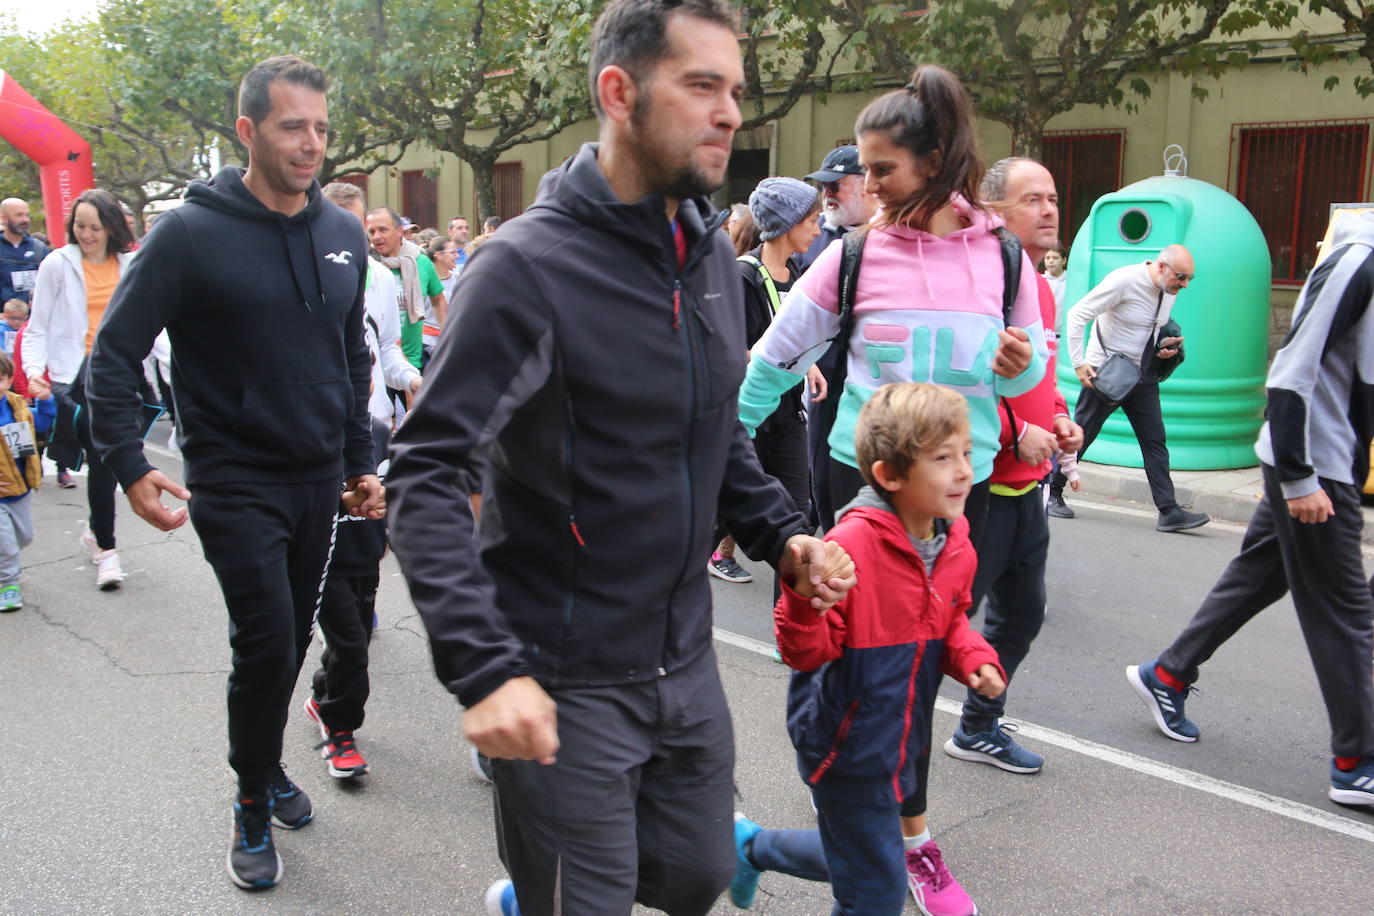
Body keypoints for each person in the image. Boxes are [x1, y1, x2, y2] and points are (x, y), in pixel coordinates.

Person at [383, 3, 855, 913]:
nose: (729, 113)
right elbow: (426, 471)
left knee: (695, 876)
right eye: (702, 86)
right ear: (619, 92)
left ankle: (542, 887)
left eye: (736, 91)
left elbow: (710, 432)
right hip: (561, 669)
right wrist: (483, 668)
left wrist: (781, 538)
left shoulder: (709, 258)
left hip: (682, 655)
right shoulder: (524, 268)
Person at [735, 67, 1045, 912]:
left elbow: (1035, 368)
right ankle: (869, 819)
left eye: (882, 171)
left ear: (937, 161)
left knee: (927, 654)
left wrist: (1023, 366)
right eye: (860, 172)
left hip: (957, 486)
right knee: (859, 656)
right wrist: (719, 453)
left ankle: (901, 836)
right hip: (863, 480)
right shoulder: (855, 253)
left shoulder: (1002, 252)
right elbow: (774, 359)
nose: (862, 188)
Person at [84, 55, 382, 891]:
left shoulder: (344, 235)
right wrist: (129, 465)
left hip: (319, 477)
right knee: (265, 643)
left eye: (322, 127)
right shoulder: (189, 232)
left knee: (288, 643)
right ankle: (253, 795)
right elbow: (115, 356)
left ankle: (267, 765)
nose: (312, 144)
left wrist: (359, 463)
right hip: (234, 477)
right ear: (248, 132)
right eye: (293, 127)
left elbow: (351, 355)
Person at [1127, 210, 1374, 806]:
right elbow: (1292, 368)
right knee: (1347, 614)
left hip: (1325, 461)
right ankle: (1357, 761)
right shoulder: (1360, 257)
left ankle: (1168, 673)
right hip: (1315, 465)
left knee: (1258, 579)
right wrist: (1296, 475)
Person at [731, 383, 1005, 916]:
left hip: (900, 741)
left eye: (967, 454)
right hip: (845, 745)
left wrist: (974, 658)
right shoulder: (849, 547)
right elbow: (803, 652)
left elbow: (949, 623)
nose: (964, 470)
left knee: (860, 858)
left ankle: (750, 847)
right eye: (943, 458)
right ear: (891, 477)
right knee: (876, 891)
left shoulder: (956, 541)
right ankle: (749, 847)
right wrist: (805, 599)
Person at [942, 157, 1082, 778]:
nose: (1050, 209)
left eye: (1053, 197)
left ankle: (977, 726)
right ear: (994, 211)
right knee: (936, 626)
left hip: (1027, 485)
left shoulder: (1040, 284)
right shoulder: (977, 280)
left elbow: (1039, 375)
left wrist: (1056, 416)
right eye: (1034, 199)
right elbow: (950, 381)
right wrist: (1011, 431)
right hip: (977, 487)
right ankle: (877, 760)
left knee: (1022, 614)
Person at [709, 177, 822, 587]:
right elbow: (724, 352)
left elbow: (797, 340)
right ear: (787, 223)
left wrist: (805, 363)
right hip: (747, 416)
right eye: (811, 219)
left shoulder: (799, 272)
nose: (818, 227)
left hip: (788, 416)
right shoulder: (742, 277)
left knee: (797, 521)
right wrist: (772, 357)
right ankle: (710, 556)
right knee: (724, 509)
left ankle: (790, 637)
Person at [1051, 244, 1209, 531]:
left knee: (1155, 440)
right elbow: (1076, 315)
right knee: (1083, 433)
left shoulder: (1168, 290)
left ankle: (1169, 511)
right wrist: (1079, 363)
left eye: (1190, 279)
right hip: (1106, 372)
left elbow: (1150, 328)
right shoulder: (1123, 280)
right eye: (1181, 277)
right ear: (1161, 267)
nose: (1185, 285)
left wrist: (1163, 349)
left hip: (1142, 375)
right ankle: (1051, 491)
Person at [24, 188, 136, 589]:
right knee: (103, 459)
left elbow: (152, 323)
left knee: (116, 460)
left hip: (120, 374)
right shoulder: (57, 263)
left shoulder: (131, 263)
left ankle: (95, 532)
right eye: (79, 226)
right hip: (76, 377)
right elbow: (37, 325)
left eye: (94, 227)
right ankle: (107, 549)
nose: (86, 234)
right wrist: (34, 371)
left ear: (111, 227)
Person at [0, 349, 55, 612]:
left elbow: (42, 423)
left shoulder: (18, 406)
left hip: (20, 488)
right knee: (7, 545)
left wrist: (45, 400)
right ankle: (8, 586)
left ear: (9, 380)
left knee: (24, 538)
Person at [366, 207, 445, 374]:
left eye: (382, 230)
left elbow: (438, 298)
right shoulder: (368, 266)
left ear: (399, 231)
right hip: (377, 365)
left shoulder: (421, 262)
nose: (376, 237)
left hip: (413, 363)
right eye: (371, 232)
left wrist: (446, 337)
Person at [796, 145, 871, 272]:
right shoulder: (807, 231)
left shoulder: (892, 231)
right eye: (822, 186)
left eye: (834, 186)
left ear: (865, 185)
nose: (826, 193)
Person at [0, 197, 49, 305]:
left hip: (35, 317)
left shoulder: (39, 248)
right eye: (19, 215)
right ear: (4, 218)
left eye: (27, 215)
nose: (25, 220)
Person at [424, 236, 460, 369]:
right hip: (427, 342)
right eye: (452, 252)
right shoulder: (425, 280)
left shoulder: (458, 279)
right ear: (439, 255)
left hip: (450, 340)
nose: (456, 255)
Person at [1041, 243, 1068, 325]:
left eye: (1055, 258)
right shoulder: (1040, 281)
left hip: (1064, 333)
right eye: (1047, 258)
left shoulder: (1071, 281)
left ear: (1064, 260)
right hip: (1043, 333)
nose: (1051, 261)